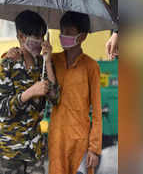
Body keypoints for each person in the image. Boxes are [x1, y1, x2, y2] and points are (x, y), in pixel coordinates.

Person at [0, 11, 59, 174]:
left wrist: (48, 61)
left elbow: (56, 98)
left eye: (42, 36)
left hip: (35, 150)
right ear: (21, 36)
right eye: (36, 36)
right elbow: (2, 109)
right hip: (11, 151)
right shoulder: (7, 64)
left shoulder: (42, 65)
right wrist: (30, 92)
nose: (40, 41)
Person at [47, 11, 102, 174]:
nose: (63, 36)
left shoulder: (91, 67)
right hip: (57, 139)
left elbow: (97, 113)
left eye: (69, 32)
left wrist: (94, 148)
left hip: (80, 142)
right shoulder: (53, 60)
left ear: (82, 36)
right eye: (62, 31)